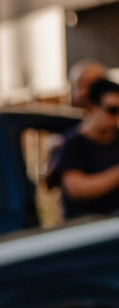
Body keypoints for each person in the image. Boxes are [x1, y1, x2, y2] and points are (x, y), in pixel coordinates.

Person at [51, 75, 119, 218]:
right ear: (94, 107)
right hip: (86, 230)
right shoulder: (74, 143)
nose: (116, 117)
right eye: (112, 110)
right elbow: (76, 188)